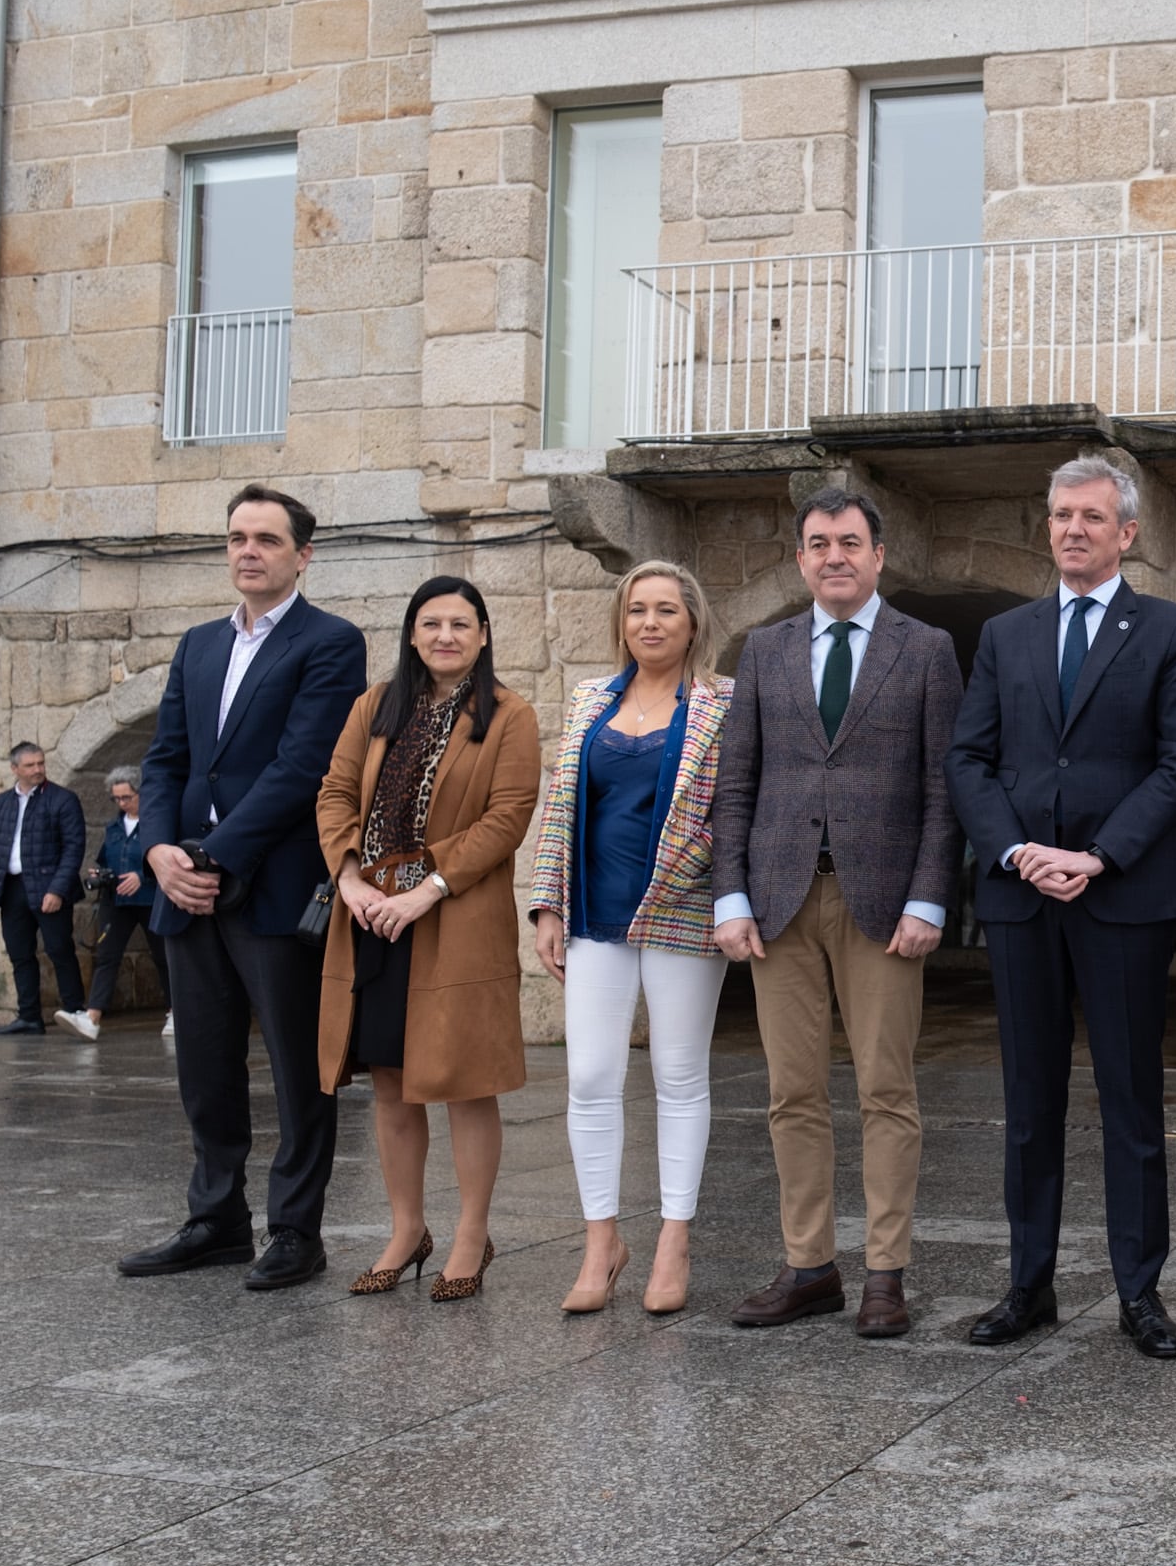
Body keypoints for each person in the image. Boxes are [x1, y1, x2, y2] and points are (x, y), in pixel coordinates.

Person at [946, 454, 1176, 1360]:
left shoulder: (1170, 630)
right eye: (1060, 514)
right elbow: (970, 760)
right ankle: (1029, 1282)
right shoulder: (1007, 635)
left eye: (1092, 517)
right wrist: (1018, 851)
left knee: (1132, 1100)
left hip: (1123, 898)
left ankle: (1140, 1291)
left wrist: (1098, 854)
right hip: (1023, 899)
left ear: (1127, 531)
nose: (1073, 529)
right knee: (1029, 1101)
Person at [713, 488, 963, 1339]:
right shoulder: (764, 648)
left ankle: (885, 1273)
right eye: (818, 543)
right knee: (793, 1092)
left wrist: (931, 896)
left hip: (885, 904)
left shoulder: (927, 650)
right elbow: (735, 782)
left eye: (850, 542)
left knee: (887, 1090)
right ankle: (809, 1263)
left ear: (879, 554)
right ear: (799, 558)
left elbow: (942, 788)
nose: (834, 556)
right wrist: (731, 894)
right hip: (779, 901)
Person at [120, 485, 368, 1290]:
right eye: (236, 537)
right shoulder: (197, 645)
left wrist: (215, 855)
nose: (247, 550)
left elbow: (304, 766)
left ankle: (297, 1229)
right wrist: (160, 850)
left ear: (303, 553)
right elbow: (166, 760)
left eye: (266, 538)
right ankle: (216, 1218)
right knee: (204, 1062)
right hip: (182, 886)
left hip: (270, 883)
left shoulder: (331, 642)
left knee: (300, 1068)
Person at [315, 577, 541, 1303]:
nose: (446, 635)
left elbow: (506, 818)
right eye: (431, 623)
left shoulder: (509, 715)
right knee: (389, 1080)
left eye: (461, 624)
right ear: (412, 633)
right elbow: (335, 793)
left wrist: (425, 890)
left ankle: (472, 1233)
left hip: (454, 915)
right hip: (372, 913)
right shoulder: (374, 706)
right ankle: (407, 1228)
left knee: (465, 1082)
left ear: (482, 635)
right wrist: (349, 880)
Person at [530, 560, 734, 1316]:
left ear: (692, 623)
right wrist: (548, 904)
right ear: (622, 622)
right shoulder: (589, 700)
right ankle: (601, 1242)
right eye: (637, 610)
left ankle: (674, 1240)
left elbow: (734, 808)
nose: (650, 622)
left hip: (681, 909)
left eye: (666, 611)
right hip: (593, 913)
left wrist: (707, 872)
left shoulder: (723, 704)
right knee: (589, 1077)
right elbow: (559, 808)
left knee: (679, 1078)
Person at [0, 741, 86, 1037]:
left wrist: (58, 890)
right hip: (12, 888)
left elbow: (74, 850)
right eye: (30, 765)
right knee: (20, 953)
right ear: (15, 769)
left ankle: (76, 1012)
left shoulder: (63, 799)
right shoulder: (1, 803)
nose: (38, 769)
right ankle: (29, 1017)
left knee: (60, 949)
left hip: (49, 887)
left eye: (40, 763)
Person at [64, 765, 168, 1042]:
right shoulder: (114, 827)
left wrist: (142, 876)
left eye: (127, 797)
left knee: (163, 956)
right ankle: (93, 1016)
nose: (122, 803)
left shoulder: (159, 822)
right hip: (117, 899)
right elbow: (104, 859)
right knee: (108, 955)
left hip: (150, 899)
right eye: (117, 799)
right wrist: (99, 873)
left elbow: (169, 859)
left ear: (142, 794)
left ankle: (176, 1010)